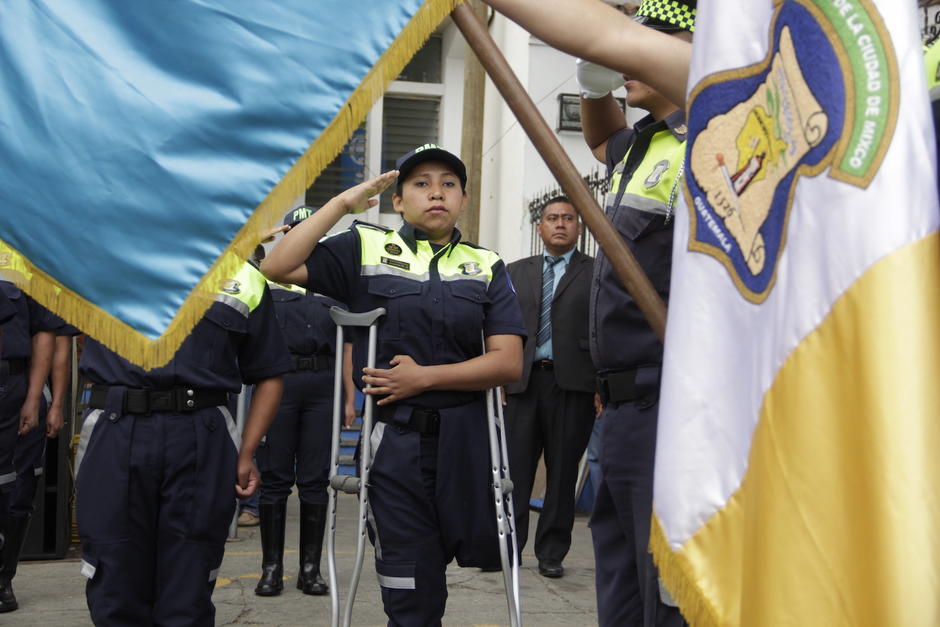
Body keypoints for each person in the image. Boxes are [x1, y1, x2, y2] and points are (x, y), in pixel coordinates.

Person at [485, 1, 694, 625]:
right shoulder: (642, 144)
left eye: (646, 40)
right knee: (622, 582)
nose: (629, 50)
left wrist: (610, 36)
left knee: (668, 590)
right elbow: (602, 136)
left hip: (673, 398)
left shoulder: (714, 129)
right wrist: (598, 69)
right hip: (623, 403)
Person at [262, 144, 525, 626]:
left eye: (448, 183)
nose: (436, 193)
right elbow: (277, 267)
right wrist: (342, 205)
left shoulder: (486, 264)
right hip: (396, 445)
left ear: (463, 199)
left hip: (468, 440)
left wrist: (425, 377)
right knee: (410, 590)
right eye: (420, 184)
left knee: (479, 556)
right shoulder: (367, 248)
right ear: (399, 200)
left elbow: (508, 362)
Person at [74, 258, 291, 625]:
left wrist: (248, 451)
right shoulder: (100, 257)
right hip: (116, 428)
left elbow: (269, 373)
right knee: (114, 577)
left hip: (201, 434)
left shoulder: (245, 278)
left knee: (189, 583)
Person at [254, 207, 357, 598]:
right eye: (295, 230)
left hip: (322, 385)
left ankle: (310, 570)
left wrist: (349, 397)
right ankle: (271, 568)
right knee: (276, 479)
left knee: (315, 481)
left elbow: (347, 347)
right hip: (279, 382)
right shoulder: (268, 277)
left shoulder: (333, 282)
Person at [504, 196, 595, 579]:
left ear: (579, 228)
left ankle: (551, 553)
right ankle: (508, 548)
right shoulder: (513, 271)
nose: (560, 224)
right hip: (521, 383)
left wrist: (601, 385)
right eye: (552, 218)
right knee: (516, 471)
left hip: (573, 384)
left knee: (561, 472)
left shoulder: (597, 271)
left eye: (568, 219)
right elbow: (498, 327)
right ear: (539, 228)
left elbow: (602, 327)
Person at [4, 319, 80, 612]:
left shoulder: (38, 275)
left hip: (21, 391)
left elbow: (59, 343)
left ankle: (3, 580)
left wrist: (57, 404)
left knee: (18, 490)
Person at [0, 277, 58, 613]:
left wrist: (35, 396)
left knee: (10, 487)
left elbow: (46, 331)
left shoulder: (25, 255)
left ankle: (3, 578)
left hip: (9, 384)